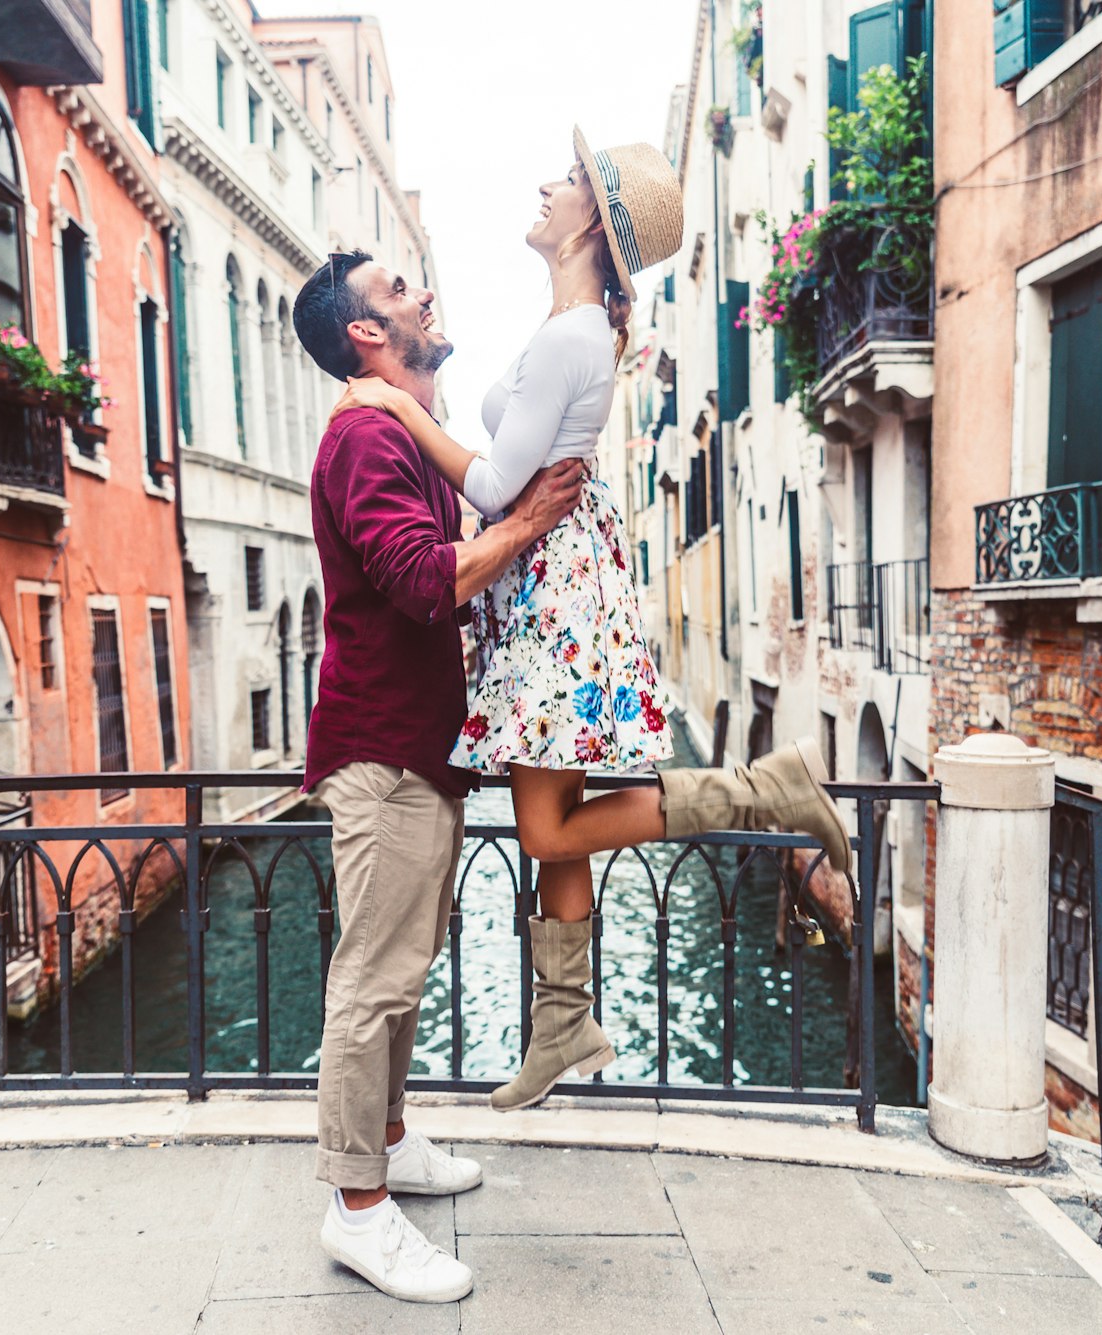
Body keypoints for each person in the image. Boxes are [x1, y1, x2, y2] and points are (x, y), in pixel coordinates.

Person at [326, 132, 850, 1120]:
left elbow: (489, 482)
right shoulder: (566, 325)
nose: (543, 182)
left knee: (540, 828)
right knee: (555, 830)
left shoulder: (570, 337)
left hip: (552, 589)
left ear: (590, 223)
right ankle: (563, 1022)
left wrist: (395, 414)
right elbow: (512, 472)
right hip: (552, 579)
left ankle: (759, 792)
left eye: (563, 179)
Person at [292, 245, 586, 1304]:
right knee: (371, 982)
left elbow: (438, 569)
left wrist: (499, 531)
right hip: (379, 750)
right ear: (365, 334)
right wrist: (522, 525)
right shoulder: (366, 436)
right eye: (398, 290)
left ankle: (390, 1143)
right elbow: (424, 580)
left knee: (400, 971)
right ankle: (355, 1207)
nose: (423, 293)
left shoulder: (395, 432)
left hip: (417, 745)